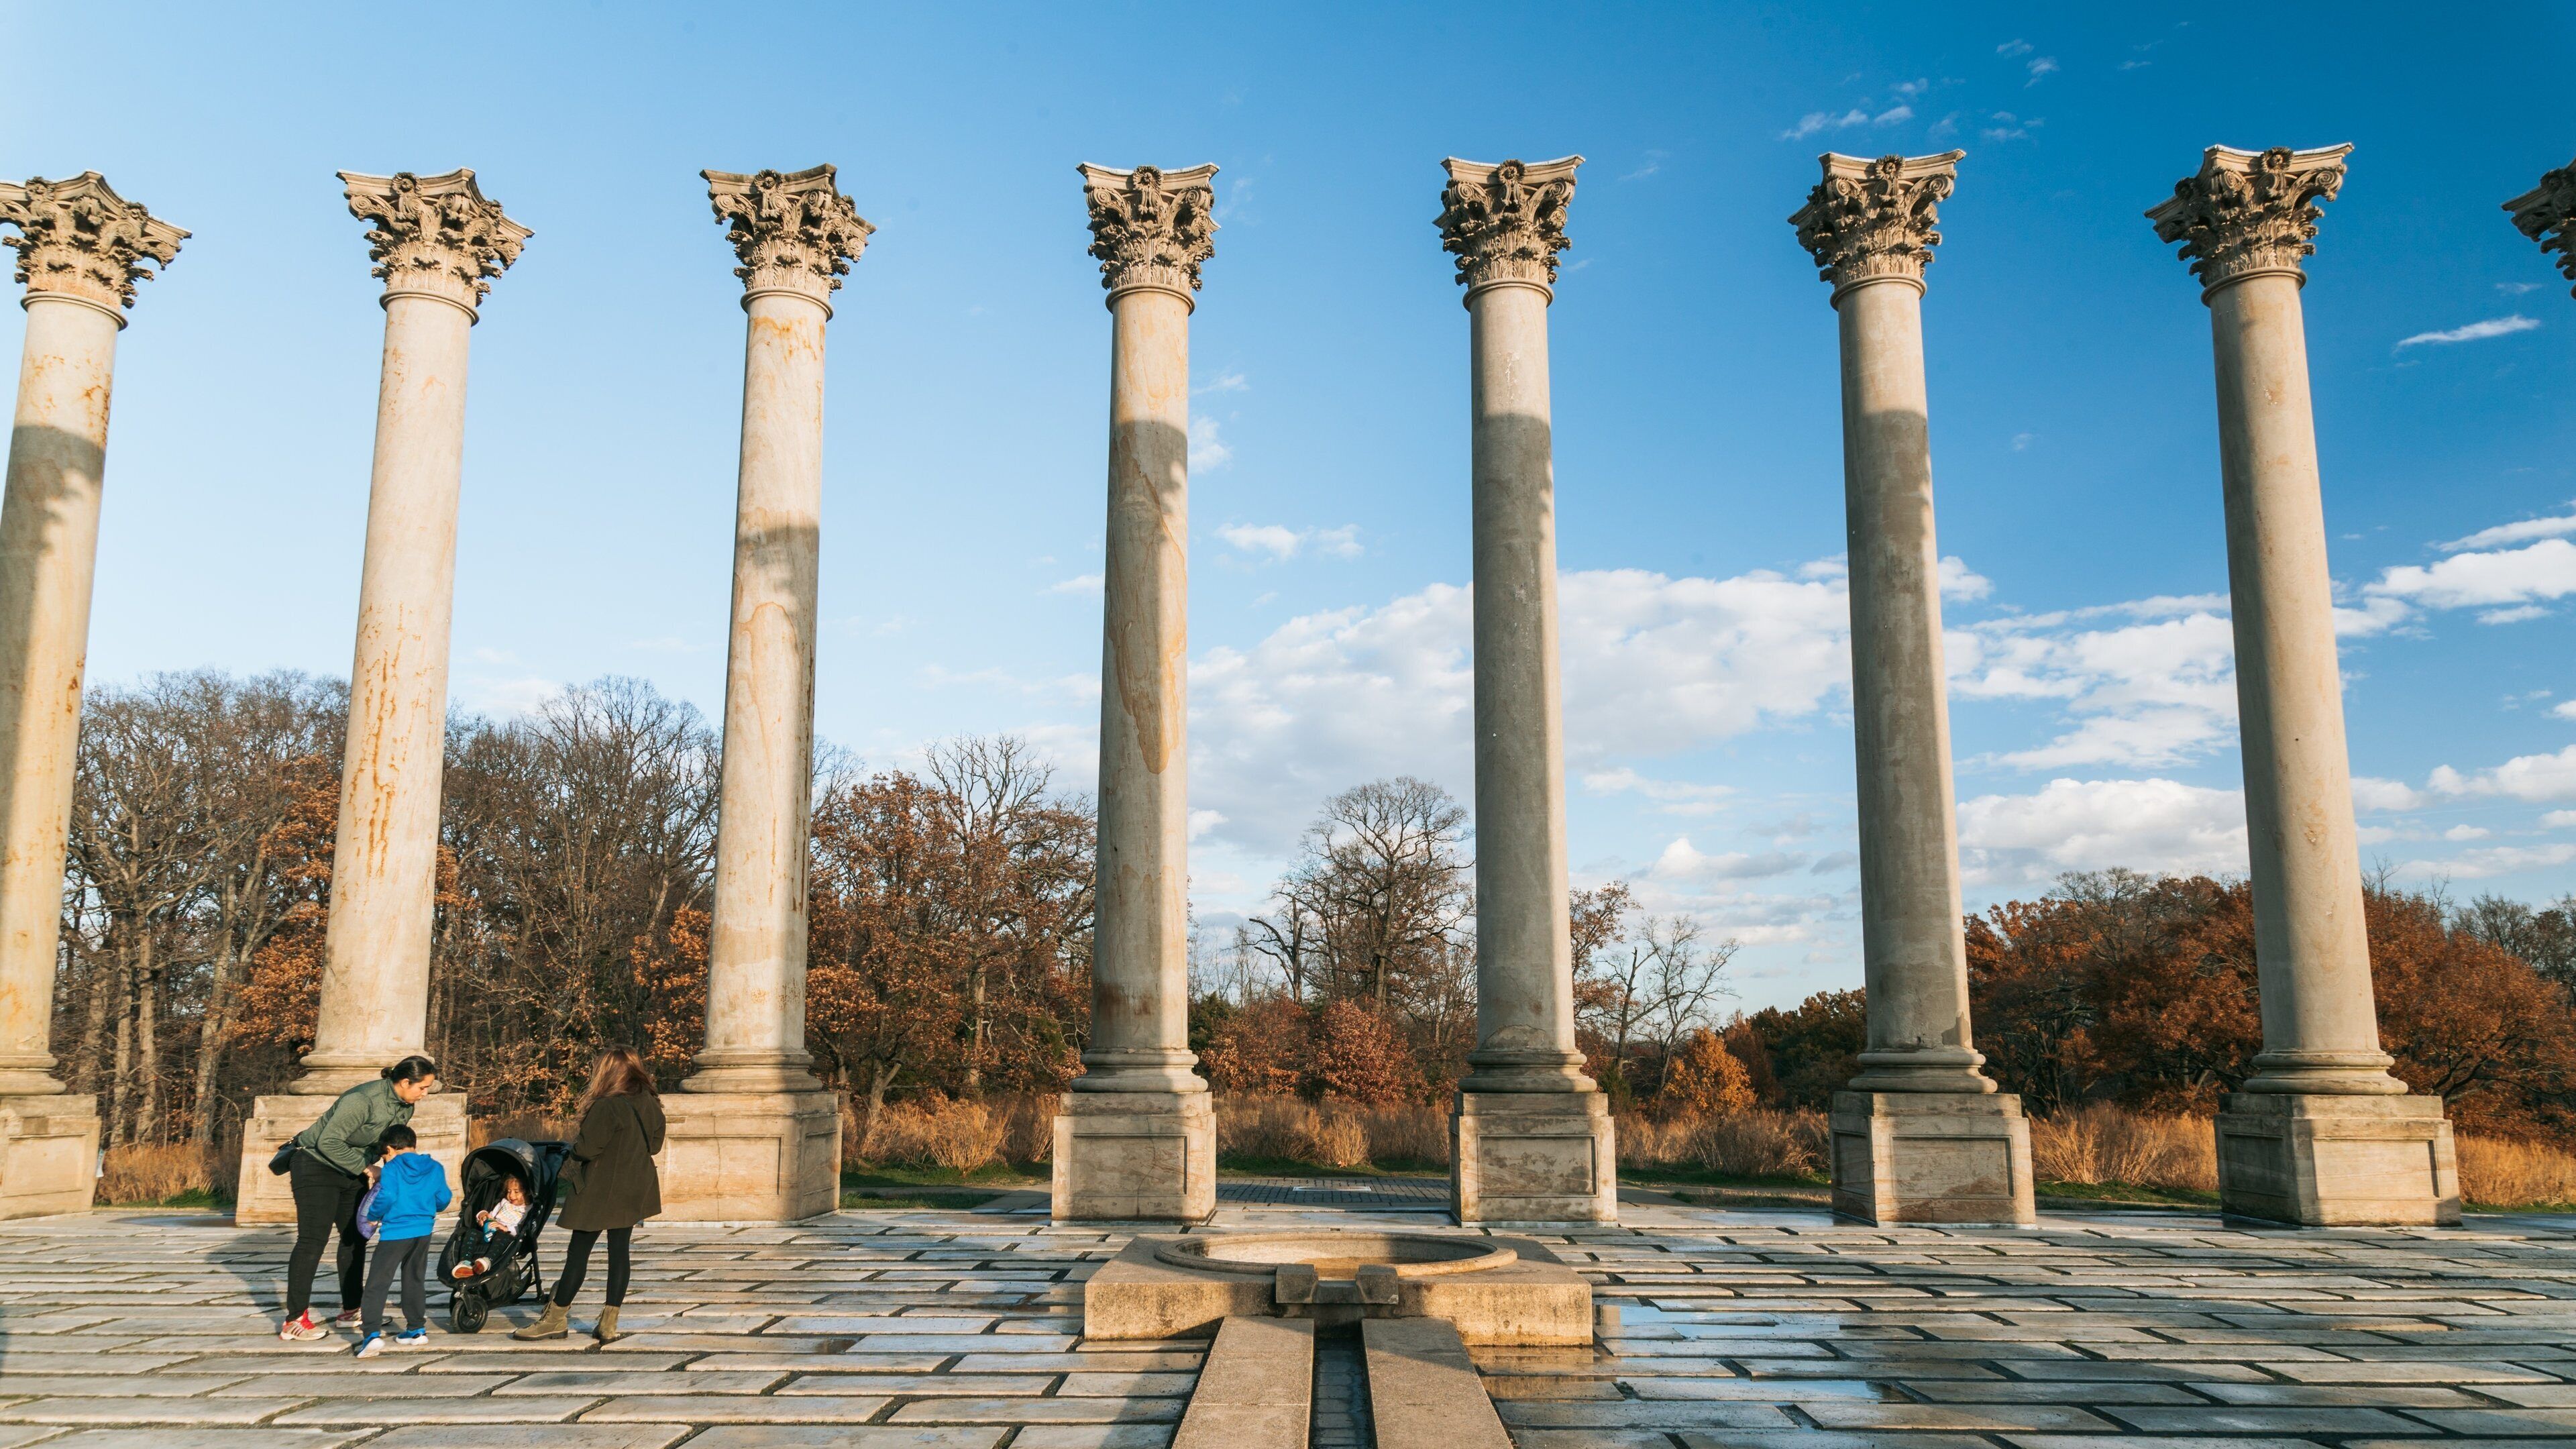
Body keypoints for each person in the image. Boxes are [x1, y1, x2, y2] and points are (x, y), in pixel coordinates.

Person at [278, 1056, 438, 1342]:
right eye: (423, 1088)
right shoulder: (362, 1099)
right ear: (404, 1082)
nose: (425, 1094)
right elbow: (328, 1142)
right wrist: (367, 1167)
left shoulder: (406, 1106)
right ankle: (294, 1320)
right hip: (316, 1165)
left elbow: (388, 1146)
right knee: (312, 1240)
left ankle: (351, 1310)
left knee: (355, 1236)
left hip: (352, 1170)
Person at [515, 1047, 663, 1343]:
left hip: (598, 1190)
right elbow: (655, 1146)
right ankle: (609, 1324)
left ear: (606, 1072)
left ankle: (555, 1318)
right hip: (635, 1187)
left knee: (578, 1254)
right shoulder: (651, 1102)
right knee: (619, 1253)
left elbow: (586, 1150)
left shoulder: (607, 1106)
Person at [354, 1123, 451, 1357]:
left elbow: (387, 1196)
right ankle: (416, 1330)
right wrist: (427, 1206)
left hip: (396, 1232)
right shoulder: (435, 1167)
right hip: (423, 1231)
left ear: (389, 1149)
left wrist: (373, 1215)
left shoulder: (393, 1169)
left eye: (384, 1155)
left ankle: (371, 1335)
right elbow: (444, 1198)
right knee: (415, 1279)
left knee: (378, 1282)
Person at [454, 1171, 531, 1279]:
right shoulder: (504, 1203)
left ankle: (487, 1261)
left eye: (516, 1192)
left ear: (526, 1192)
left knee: (502, 1235)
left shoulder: (527, 1209)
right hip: (489, 1232)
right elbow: (491, 1215)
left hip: (506, 1237)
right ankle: (465, 1262)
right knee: (472, 1233)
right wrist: (483, 1215)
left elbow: (522, 1229)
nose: (511, 1195)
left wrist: (504, 1228)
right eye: (509, 1192)